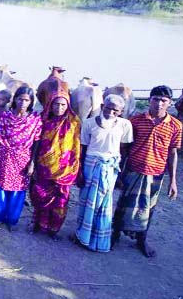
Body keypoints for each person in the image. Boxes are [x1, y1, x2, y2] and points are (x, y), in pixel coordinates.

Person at [112, 86, 182, 257]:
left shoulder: (175, 125)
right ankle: (114, 235)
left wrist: (173, 181)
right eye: (155, 99)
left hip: (156, 172)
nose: (159, 104)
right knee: (123, 205)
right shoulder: (135, 121)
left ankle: (141, 239)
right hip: (133, 169)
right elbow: (125, 149)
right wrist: (120, 171)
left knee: (148, 208)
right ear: (149, 100)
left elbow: (172, 153)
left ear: (170, 103)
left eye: (164, 100)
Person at [73, 94, 133, 252]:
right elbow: (83, 148)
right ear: (102, 105)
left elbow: (125, 150)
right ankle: (82, 235)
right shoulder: (89, 123)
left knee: (103, 204)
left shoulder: (125, 125)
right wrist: (80, 171)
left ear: (120, 111)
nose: (111, 112)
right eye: (108, 108)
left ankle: (98, 239)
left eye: (116, 110)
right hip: (91, 165)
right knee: (86, 202)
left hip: (110, 168)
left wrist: (120, 173)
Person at [0, 86, 42, 231]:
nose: (23, 103)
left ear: (31, 102)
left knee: (18, 191)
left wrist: (32, 163)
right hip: (4, 157)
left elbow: (37, 141)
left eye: (26, 100)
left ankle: (11, 220)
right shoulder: (5, 117)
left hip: (23, 159)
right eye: (20, 99)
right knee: (0, 188)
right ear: (15, 99)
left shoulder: (34, 120)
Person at [30, 91, 81, 240]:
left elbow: (76, 146)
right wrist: (33, 162)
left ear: (68, 106)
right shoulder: (42, 120)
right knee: (40, 195)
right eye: (56, 104)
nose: (59, 107)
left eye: (63, 104)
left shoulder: (74, 122)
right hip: (44, 166)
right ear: (50, 105)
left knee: (61, 200)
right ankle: (39, 224)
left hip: (64, 169)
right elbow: (36, 142)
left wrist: (75, 167)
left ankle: (54, 229)